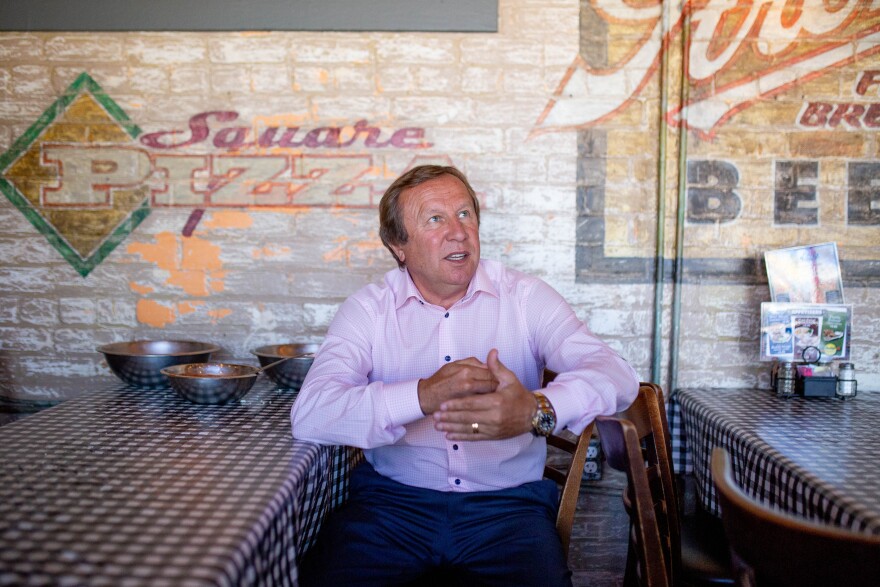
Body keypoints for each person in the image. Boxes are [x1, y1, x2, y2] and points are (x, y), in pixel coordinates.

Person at [290, 165, 638, 586]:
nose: (458, 232)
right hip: (391, 507)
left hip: (509, 510)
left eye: (465, 215)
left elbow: (616, 373)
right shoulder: (368, 310)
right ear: (398, 245)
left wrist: (537, 408)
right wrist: (421, 395)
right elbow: (311, 413)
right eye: (435, 219)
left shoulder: (525, 297)